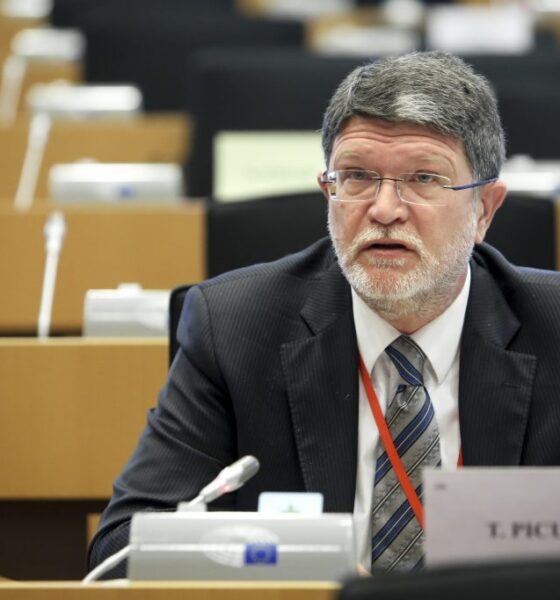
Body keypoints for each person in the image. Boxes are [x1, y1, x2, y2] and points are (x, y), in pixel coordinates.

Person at [88, 51, 560, 576]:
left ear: (485, 209)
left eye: (424, 178)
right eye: (356, 176)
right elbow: (121, 551)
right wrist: (269, 555)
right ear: (328, 190)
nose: (384, 210)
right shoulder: (235, 329)